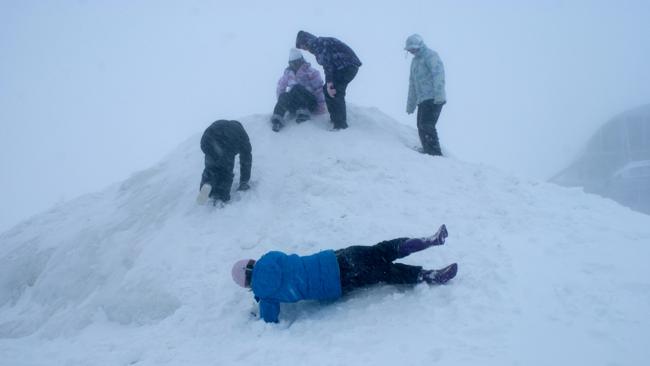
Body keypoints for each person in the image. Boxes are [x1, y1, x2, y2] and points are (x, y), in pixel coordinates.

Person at [232, 224, 457, 323]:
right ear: (252, 262)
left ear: (246, 284)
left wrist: (259, 298)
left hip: (338, 284)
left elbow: (269, 320)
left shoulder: (266, 296)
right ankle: (428, 240)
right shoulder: (270, 257)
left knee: (385, 272)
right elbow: (277, 268)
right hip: (336, 258)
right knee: (383, 250)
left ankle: (428, 276)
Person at [295, 30, 362, 130]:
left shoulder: (318, 44)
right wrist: (329, 84)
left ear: (306, 41)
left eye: (303, 46)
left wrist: (330, 83)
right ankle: (335, 119)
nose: (304, 49)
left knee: (336, 92)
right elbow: (329, 64)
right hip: (344, 66)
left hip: (347, 66)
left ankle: (340, 124)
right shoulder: (319, 43)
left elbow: (328, 64)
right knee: (328, 91)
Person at [405, 34, 446, 156]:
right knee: (420, 125)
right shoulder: (414, 62)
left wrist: (439, 96)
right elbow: (412, 84)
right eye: (409, 49)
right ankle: (428, 150)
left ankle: (435, 153)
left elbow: (438, 75)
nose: (411, 51)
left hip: (434, 98)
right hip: (422, 100)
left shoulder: (431, 56)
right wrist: (410, 105)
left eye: (412, 48)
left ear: (419, 46)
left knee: (427, 125)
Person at [197, 120, 252, 205]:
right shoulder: (242, 135)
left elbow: (210, 131)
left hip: (207, 140)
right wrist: (244, 180)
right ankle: (220, 196)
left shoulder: (224, 123)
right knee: (225, 171)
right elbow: (246, 159)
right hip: (225, 143)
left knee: (211, 167)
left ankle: (207, 182)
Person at [271, 48, 327, 132]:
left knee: (297, 88)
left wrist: (320, 107)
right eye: (292, 64)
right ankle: (277, 119)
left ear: (301, 61)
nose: (295, 66)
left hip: (310, 103)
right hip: (295, 104)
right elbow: (280, 87)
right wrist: (282, 103)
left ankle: (303, 113)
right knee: (285, 95)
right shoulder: (288, 73)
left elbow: (319, 89)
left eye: (296, 63)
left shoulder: (311, 72)